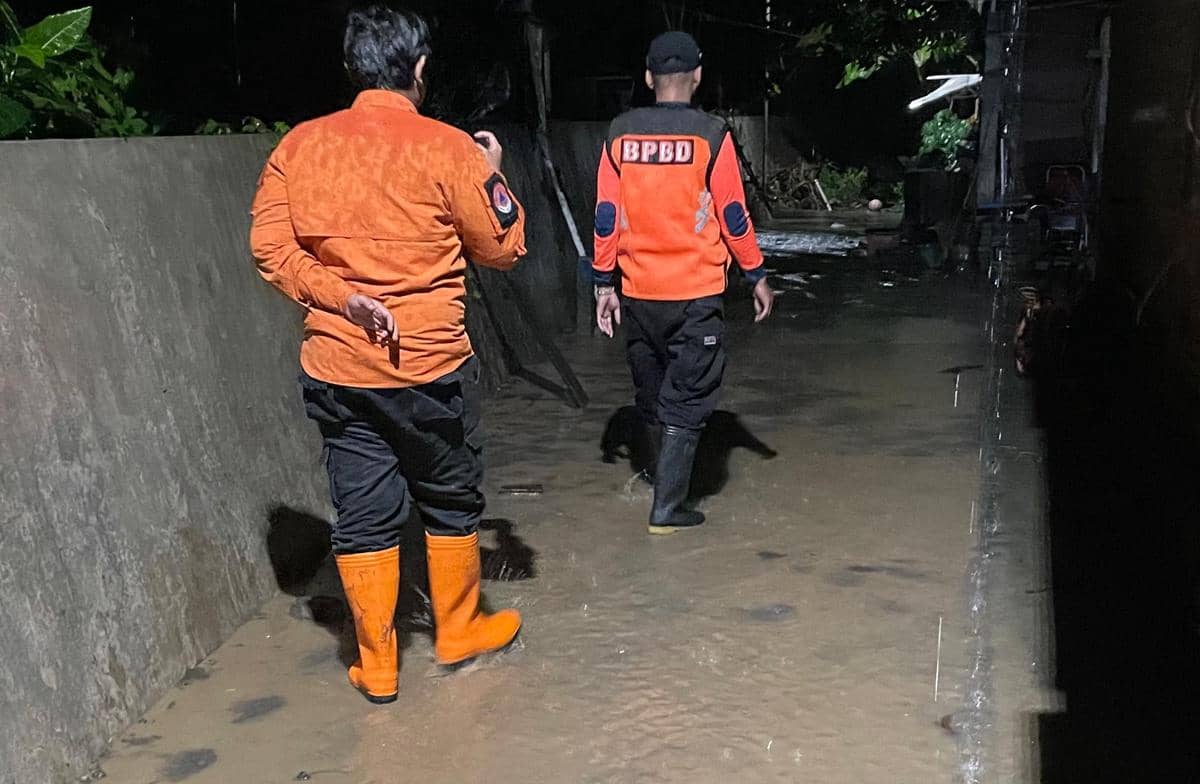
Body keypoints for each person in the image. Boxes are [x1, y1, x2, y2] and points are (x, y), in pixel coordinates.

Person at [249, 5, 526, 704]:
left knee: (365, 513)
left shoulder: (299, 147)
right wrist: (492, 173)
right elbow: (503, 247)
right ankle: (458, 629)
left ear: (352, 69)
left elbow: (270, 250)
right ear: (421, 70)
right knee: (449, 499)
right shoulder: (448, 149)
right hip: (429, 369)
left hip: (339, 371)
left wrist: (339, 298)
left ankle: (377, 664)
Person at [592, 31, 774, 535]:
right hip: (694, 295)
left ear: (649, 78)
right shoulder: (712, 135)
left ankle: (656, 479)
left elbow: (606, 216)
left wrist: (603, 283)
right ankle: (668, 508)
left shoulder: (619, 134)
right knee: (688, 402)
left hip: (638, 294)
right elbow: (733, 215)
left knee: (652, 395)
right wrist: (755, 273)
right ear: (697, 76)